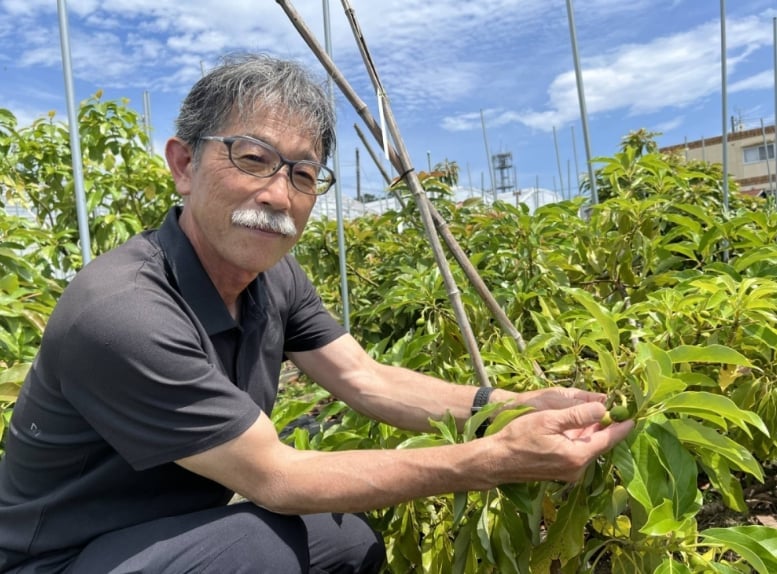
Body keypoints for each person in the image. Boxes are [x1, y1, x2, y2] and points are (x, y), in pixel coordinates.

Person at [0, 53, 633, 573]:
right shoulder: (122, 311)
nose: (278, 194)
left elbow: (366, 379)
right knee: (262, 547)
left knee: (344, 542)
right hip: (58, 560)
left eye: (303, 174)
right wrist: (491, 460)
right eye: (252, 159)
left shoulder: (271, 274)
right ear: (185, 165)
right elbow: (277, 477)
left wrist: (506, 407)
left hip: (166, 531)